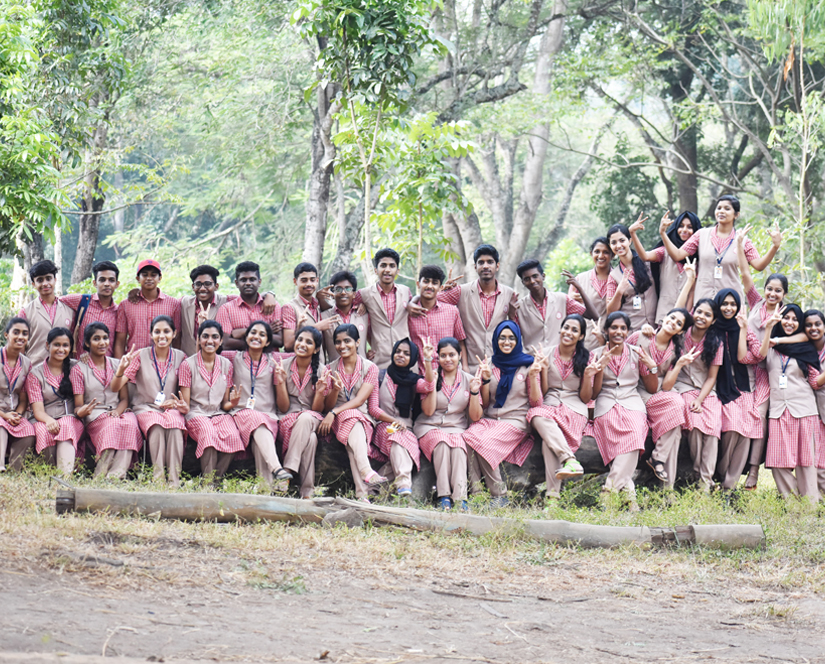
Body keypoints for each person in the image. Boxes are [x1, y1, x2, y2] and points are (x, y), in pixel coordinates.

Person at [462, 321, 540, 507]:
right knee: (468, 437)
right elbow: (486, 402)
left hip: (516, 419)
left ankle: (500, 495)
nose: (507, 342)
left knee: (484, 443)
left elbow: (536, 402)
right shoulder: (488, 364)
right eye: (502, 338)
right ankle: (477, 493)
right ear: (496, 340)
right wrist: (486, 379)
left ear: (518, 340)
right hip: (491, 419)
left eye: (511, 338)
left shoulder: (528, 365)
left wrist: (534, 376)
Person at [658, 195, 782, 303]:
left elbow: (759, 265)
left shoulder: (742, 240)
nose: (721, 211)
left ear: (736, 215)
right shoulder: (701, 235)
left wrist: (775, 246)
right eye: (719, 208)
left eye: (727, 209)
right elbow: (678, 255)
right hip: (703, 300)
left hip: (730, 301)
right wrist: (663, 233)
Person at [590, 313, 659, 508]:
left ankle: (610, 489)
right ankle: (630, 498)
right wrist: (600, 368)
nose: (618, 332)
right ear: (606, 330)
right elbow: (594, 394)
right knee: (614, 436)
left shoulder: (637, 352)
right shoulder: (595, 354)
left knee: (636, 434)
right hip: (606, 402)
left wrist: (652, 367)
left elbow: (652, 388)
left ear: (628, 331)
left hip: (632, 401)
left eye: (623, 328)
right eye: (614, 327)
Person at [111, 315, 188, 486]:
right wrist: (121, 369)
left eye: (166, 331)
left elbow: (184, 394)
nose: (162, 336)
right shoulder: (140, 355)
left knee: (176, 426)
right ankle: (158, 477)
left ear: (174, 334)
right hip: (145, 407)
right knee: (157, 426)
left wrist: (176, 404)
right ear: (151, 334)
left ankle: (174, 479)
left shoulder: (181, 357)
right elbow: (116, 387)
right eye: (157, 332)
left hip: (170, 408)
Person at [738, 228, 786, 489]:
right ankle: (732, 469)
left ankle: (754, 471)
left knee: (759, 416)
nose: (772, 294)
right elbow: (746, 274)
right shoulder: (755, 301)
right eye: (770, 288)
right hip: (742, 364)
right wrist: (738, 245)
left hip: (766, 370)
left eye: (778, 291)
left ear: (784, 295)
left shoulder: (787, 314)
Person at [758, 304, 821, 502]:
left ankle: (810, 504)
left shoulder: (806, 348)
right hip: (778, 410)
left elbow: (813, 380)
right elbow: (757, 355)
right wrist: (769, 327)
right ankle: (793, 503)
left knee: (805, 461)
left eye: (795, 320)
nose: (790, 323)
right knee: (777, 461)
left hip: (804, 408)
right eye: (787, 318)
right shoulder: (770, 347)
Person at [318, 324, 388, 502]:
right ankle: (365, 476)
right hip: (339, 420)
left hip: (362, 417)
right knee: (351, 421)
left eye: (347, 341)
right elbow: (327, 404)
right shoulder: (329, 369)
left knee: (353, 439)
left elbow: (359, 401)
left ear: (358, 342)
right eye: (338, 342)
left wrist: (334, 411)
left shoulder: (370, 368)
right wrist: (334, 392)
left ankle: (362, 493)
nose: (342, 346)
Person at [662, 293, 723, 491]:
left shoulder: (716, 342)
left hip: (706, 389)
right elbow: (670, 317)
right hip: (683, 385)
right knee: (695, 426)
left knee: (713, 430)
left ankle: (706, 482)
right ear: (693, 312)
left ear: (713, 320)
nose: (701, 317)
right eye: (699, 312)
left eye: (707, 314)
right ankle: (699, 474)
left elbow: (712, 377)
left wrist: (700, 398)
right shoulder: (681, 333)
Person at [526, 314, 591, 504]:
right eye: (566, 328)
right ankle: (570, 460)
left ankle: (552, 498)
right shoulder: (545, 353)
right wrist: (543, 370)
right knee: (535, 414)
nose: (569, 333)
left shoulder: (587, 357)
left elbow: (586, 397)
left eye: (574, 330)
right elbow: (543, 393)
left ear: (580, 336)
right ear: (560, 329)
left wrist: (588, 375)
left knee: (548, 442)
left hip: (575, 408)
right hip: (551, 405)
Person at [225, 321, 294, 490]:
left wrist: (281, 381)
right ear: (247, 337)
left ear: (268, 342)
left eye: (262, 335)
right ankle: (277, 468)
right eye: (253, 333)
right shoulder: (233, 357)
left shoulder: (276, 361)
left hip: (267, 417)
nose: (257, 337)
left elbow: (284, 407)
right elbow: (209, 347)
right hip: (241, 413)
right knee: (256, 420)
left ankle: (266, 492)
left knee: (260, 438)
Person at [416, 338, 483, 510]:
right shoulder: (432, 376)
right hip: (430, 426)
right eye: (443, 355)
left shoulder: (469, 380)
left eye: (452, 355)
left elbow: (475, 416)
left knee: (460, 448)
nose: (448, 359)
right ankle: (444, 496)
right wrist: (431, 384)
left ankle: (461, 498)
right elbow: (428, 412)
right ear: (438, 358)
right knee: (442, 444)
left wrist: (475, 392)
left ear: (460, 355)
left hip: (456, 427)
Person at [429, 245, 517, 373]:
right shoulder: (461, 291)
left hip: (499, 366)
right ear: (475, 267)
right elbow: (429, 299)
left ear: (497, 266)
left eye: (490, 262)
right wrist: (414, 302)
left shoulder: (509, 294)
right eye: (481, 262)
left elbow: (514, 328)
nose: (485, 266)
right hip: (470, 368)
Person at [630, 309, 692, 489]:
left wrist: (679, 364)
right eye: (672, 317)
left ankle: (666, 483)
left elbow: (666, 386)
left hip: (658, 392)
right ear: (664, 318)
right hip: (634, 390)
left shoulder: (675, 351)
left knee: (675, 422)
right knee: (676, 418)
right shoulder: (641, 336)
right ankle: (662, 472)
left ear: (680, 331)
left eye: (679, 323)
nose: (673, 322)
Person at [72, 323, 143, 479]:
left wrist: (117, 412)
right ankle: (100, 474)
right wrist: (83, 411)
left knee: (130, 424)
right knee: (112, 426)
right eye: (96, 339)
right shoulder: (79, 368)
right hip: (94, 414)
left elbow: (124, 399)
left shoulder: (117, 364)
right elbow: (78, 406)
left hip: (118, 410)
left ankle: (116, 475)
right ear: (87, 343)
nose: (102, 342)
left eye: (105, 338)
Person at [178, 320, 245, 479]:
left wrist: (233, 403)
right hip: (196, 413)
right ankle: (208, 484)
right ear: (199, 339)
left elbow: (225, 405)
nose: (210, 341)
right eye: (205, 336)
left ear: (221, 340)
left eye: (215, 337)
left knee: (233, 437)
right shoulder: (187, 365)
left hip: (218, 413)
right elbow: (186, 405)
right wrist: (181, 407)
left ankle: (215, 479)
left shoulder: (226, 365)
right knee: (208, 436)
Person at [713, 289, 765, 490]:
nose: (728, 308)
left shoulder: (742, 326)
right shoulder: (711, 326)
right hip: (719, 388)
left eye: (733, 304)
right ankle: (722, 474)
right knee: (732, 427)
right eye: (724, 304)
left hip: (743, 387)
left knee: (747, 429)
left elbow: (757, 354)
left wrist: (743, 329)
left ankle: (730, 484)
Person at [372, 338, 435, 498]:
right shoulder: (380, 376)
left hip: (406, 429)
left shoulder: (413, 380)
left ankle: (372, 489)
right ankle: (404, 484)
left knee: (402, 444)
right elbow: (373, 409)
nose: (401, 355)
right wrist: (392, 421)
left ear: (412, 358)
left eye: (406, 354)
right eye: (398, 351)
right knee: (397, 439)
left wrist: (427, 360)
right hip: (383, 426)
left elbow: (428, 386)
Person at [25, 328, 84, 475]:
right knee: (43, 431)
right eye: (56, 345)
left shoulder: (76, 367)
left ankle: (64, 476)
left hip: (70, 417)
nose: (61, 349)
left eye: (65, 345)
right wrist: (49, 421)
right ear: (47, 345)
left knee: (65, 425)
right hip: (43, 418)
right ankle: (48, 473)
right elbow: (37, 410)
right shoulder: (35, 374)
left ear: (70, 347)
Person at [276, 326, 326, 499]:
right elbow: (283, 408)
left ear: (316, 348)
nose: (302, 344)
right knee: (310, 439)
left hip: (311, 417)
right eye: (300, 340)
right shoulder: (283, 365)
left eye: (309, 342)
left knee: (305, 418)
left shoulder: (322, 371)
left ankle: (287, 470)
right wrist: (281, 382)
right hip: (288, 419)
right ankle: (307, 492)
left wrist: (319, 393)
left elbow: (317, 410)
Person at [629, 211, 701, 322]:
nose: (684, 230)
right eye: (681, 226)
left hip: (684, 318)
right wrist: (632, 233)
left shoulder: (699, 258)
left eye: (690, 227)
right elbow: (645, 256)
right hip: (664, 315)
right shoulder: (664, 252)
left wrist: (687, 315)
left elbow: (692, 291)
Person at [347, 249, 412, 369]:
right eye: (383, 265)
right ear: (376, 270)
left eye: (392, 266)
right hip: (379, 362)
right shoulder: (364, 294)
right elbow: (347, 312)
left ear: (397, 270)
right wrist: (362, 352)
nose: (387, 270)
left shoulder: (406, 291)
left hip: (406, 361)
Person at [513, 259, 595, 350]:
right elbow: (513, 336)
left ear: (543, 276)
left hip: (559, 358)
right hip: (533, 360)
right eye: (527, 279)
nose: (532, 281)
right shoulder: (519, 307)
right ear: (523, 283)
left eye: (535, 276)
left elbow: (593, 315)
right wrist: (511, 314)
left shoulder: (562, 299)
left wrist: (579, 288)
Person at [115, 260, 182, 357]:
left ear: (160, 278)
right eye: (145, 275)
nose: (149, 278)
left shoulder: (173, 304)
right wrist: (119, 367)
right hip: (133, 360)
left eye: (153, 275)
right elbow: (120, 341)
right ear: (138, 278)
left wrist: (175, 362)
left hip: (163, 363)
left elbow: (177, 338)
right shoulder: (126, 305)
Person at [407, 265, 467, 370]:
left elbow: (460, 342)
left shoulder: (452, 311)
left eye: (434, 283)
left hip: (447, 375)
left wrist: (465, 367)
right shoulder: (409, 314)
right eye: (426, 281)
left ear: (440, 288)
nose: (429, 286)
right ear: (418, 284)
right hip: (419, 376)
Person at [18, 260, 75, 366]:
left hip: (64, 373)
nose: (45, 283)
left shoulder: (70, 311)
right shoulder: (25, 312)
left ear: (55, 280)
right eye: (40, 280)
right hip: (34, 371)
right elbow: (19, 347)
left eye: (48, 278)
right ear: (34, 284)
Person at [216, 261, 282, 351]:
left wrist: (242, 332)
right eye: (243, 280)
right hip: (237, 362)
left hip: (269, 362)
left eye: (252, 279)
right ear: (236, 283)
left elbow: (280, 341)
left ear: (259, 282)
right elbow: (225, 343)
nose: (248, 283)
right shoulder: (226, 309)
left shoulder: (273, 305)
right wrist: (266, 332)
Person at [60, 260, 121, 358]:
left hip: (106, 369)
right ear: (94, 283)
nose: (107, 284)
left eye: (111, 280)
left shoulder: (119, 311)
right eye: (102, 280)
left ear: (117, 284)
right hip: (78, 367)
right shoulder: (82, 301)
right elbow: (55, 301)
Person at [605, 224, 658, 331]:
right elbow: (610, 311)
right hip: (632, 330)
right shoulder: (614, 275)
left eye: (622, 240)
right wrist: (619, 292)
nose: (618, 245)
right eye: (613, 243)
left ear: (629, 241)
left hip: (656, 327)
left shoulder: (647, 262)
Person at [0, 318, 36, 472]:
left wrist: (18, 415)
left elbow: (23, 397)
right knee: (0, 426)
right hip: (1, 412)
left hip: (14, 412)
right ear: (6, 334)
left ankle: (14, 469)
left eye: (25, 333)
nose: (20, 337)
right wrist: (5, 415)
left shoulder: (27, 363)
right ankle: (0, 465)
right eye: (16, 332)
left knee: (29, 432)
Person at [282, 263, 336, 356]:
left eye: (312, 280)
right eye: (304, 280)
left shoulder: (318, 306)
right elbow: (288, 345)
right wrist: (316, 327)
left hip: (320, 366)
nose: (309, 284)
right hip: (300, 367)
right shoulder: (290, 308)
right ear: (295, 281)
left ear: (317, 281)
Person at [570, 237, 613, 350]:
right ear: (591, 253)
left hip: (612, 338)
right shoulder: (579, 280)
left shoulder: (619, 278)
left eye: (606, 252)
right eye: (597, 251)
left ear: (613, 255)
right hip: (586, 340)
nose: (600, 256)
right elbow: (569, 312)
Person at [179, 265, 230, 357]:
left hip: (214, 362)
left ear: (216, 286)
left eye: (207, 284)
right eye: (198, 284)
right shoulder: (184, 302)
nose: (202, 288)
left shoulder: (226, 302)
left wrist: (265, 295)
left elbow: (246, 298)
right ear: (193, 287)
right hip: (187, 362)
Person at [319, 271, 368, 361]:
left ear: (354, 294)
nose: (343, 293)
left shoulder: (364, 315)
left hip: (362, 371)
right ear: (332, 293)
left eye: (348, 289)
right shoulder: (324, 317)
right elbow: (321, 349)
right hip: (335, 371)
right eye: (338, 289)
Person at [802, 310, 825, 495]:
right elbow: (815, 383)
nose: (813, 328)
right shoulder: (805, 350)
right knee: (819, 459)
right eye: (808, 325)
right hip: (816, 411)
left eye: (817, 324)